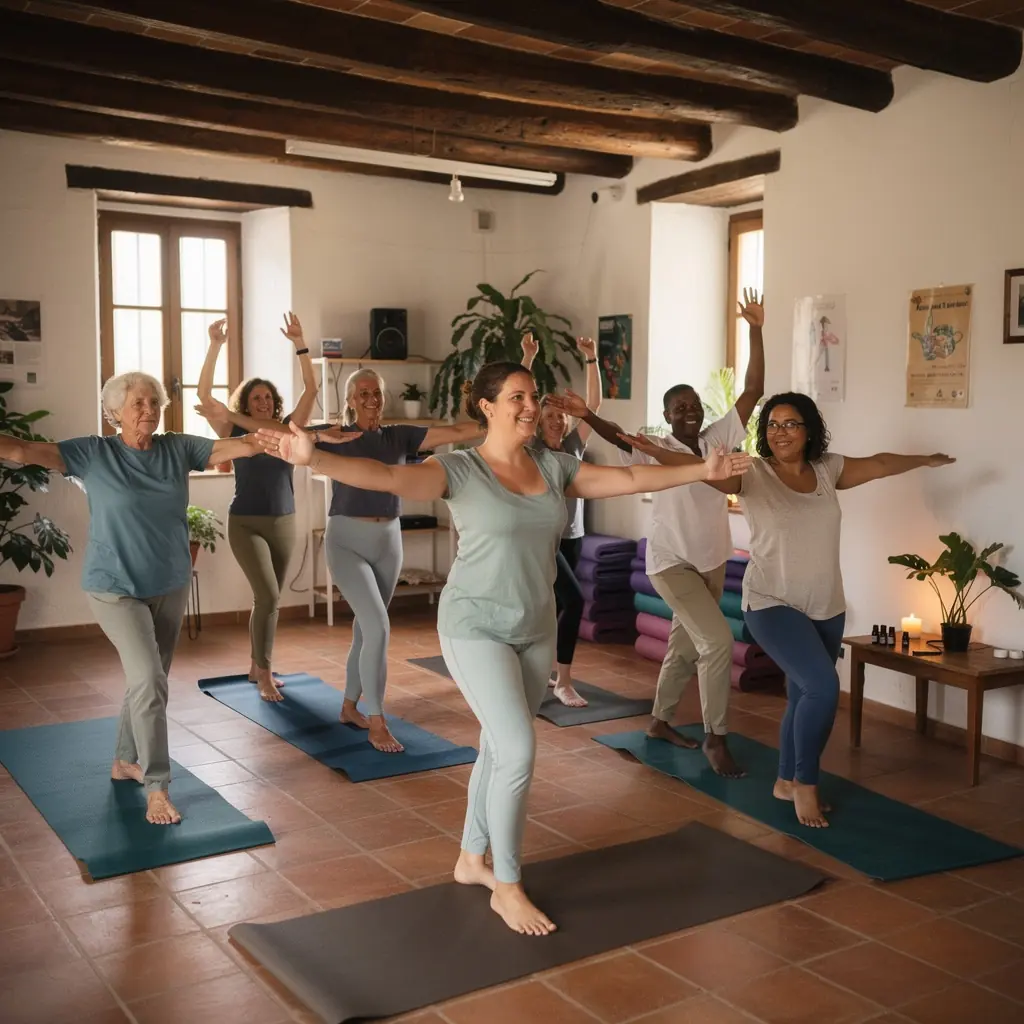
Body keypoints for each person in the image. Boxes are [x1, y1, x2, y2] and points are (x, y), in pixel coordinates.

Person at [256, 361, 750, 935]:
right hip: (474, 627)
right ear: (486, 407)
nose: (529, 406)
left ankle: (471, 859)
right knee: (518, 749)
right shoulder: (460, 468)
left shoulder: (555, 464)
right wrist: (314, 457)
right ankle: (507, 886)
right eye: (516, 396)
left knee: (498, 746)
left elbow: (632, 481)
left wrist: (700, 468)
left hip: (534, 627)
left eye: (533, 396)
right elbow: (386, 477)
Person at [0, 372, 258, 824]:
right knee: (150, 679)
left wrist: (294, 439)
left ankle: (123, 760)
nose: (149, 410)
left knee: (148, 679)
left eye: (154, 402)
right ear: (114, 412)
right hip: (113, 587)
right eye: (138, 403)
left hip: (170, 582)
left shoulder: (177, 448)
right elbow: (23, 451)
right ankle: (157, 787)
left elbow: (237, 446)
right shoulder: (93, 453)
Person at [699, 392, 954, 827]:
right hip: (770, 601)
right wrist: (668, 459)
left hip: (826, 605)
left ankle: (783, 780)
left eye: (791, 424)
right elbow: (711, 479)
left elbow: (878, 463)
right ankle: (806, 785)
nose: (780, 432)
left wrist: (925, 459)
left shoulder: (827, 469)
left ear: (809, 430)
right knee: (822, 688)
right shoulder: (754, 473)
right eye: (773, 424)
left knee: (802, 696)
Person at [547, 289, 766, 777]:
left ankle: (659, 722)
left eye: (693, 405)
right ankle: (716, 737)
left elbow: (752, 391)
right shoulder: (655, 447)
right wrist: (586, 416)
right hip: (670, 563)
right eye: (679, 407)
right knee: (713, 644)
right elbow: (618, 436)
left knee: (685, 646)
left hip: (711, 560)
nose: (689, 411)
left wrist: (754, 329)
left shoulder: (718, 438)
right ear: (667, 416)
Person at [314, 368, 483, 753]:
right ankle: (376, 722)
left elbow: (457, 434)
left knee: (366, 629)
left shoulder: (398, 436)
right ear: (350, 400)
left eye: (377, 392)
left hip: (389, 540)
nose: (371, 399)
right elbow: (295, 438)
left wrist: (497, 415)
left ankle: (348, 706)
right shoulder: (337, 436)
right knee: (378, 627)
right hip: (345, 540)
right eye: (363, 393)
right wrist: (319, 434)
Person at [195, 313, 317, 701]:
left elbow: (311, 389)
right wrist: (215, 345)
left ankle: (255, 663)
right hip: (245, 522)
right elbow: (203, 395)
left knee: (270, 600)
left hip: (284, 521)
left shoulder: (289, 429)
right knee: (267, 597)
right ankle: (263, 673)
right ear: (245, 404)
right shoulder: (233, 431)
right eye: (256, 398)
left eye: (268, 397)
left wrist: (300, 344)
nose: (264, 402)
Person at [520, 332, 602, 707]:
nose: (555, 421)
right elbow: (515, 406)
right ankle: (562, 680)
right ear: (538, 421)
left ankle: (544, 671)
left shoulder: (573, 446)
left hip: (573, 536)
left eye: (561, 416)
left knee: (553, 606)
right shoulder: (531, 449)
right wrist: (527, 358)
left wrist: (591, 358)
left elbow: (595, 406)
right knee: (572, 599)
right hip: (542, 539)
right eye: (549, 416)